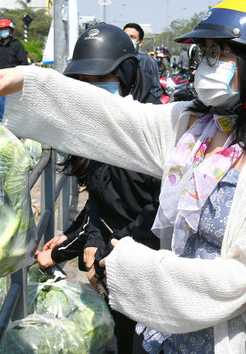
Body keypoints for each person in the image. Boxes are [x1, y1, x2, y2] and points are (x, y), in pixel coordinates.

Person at [0, 0, 246, 353]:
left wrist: (136, 268)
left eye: (218, 54)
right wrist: (31, 80)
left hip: (226, 339)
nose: (205, 65)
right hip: (168, 330)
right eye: (203, 53)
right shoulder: (194, 127)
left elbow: (245, 280)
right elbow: (116, 118)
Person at [34, 23, 161, 354]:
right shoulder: (99, 128)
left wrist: (107, 250)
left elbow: (159, 213)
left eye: (100, 80)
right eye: (83, 82)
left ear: (128, 75)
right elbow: (102, 204)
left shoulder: (151, 133)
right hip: (115, 267)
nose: (90, 90)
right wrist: (72, 239)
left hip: (147, 271)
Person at [0, 18, 28, 122]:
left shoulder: (17, 45)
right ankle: (0, 128)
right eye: (1, 29)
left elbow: (24, 63)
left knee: (13, 108)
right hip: (0, 83)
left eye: (5, 28)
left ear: (10, 30)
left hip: (13, 82)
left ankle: (14, 131)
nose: (3, 31)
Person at [124, 22, 162, 100]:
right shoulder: (114, 59)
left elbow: (155, 90)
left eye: (132, 37)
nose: (128, 39)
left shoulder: (148, 62)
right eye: (125, 36)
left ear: (140, 42)